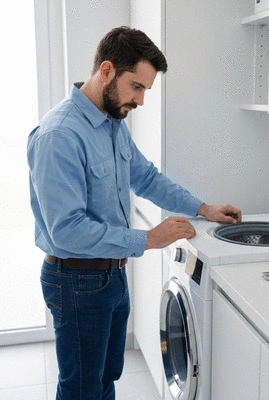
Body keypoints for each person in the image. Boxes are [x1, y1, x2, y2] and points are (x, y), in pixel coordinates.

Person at [27, 26, 241, 400]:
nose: (140, 100)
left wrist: (203, 208)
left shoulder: (112, 124)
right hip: (76, 281)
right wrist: (148, 239)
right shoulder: (59, 135)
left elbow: (145, 177)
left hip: (112, 276)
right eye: (136, 87)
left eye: (145, 90)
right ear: (106, 70)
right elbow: (67, 231)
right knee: (81, 390)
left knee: (106, 378)